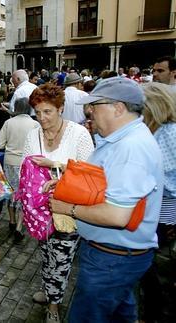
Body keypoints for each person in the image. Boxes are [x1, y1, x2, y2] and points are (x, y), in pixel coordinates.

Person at [49, 77, 163, 322]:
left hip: (113, 258)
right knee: (121, 313)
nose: (89, 112)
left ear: (118, 108)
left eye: (95, 105)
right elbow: (104, 186)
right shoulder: (123, 140)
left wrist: (67, 208)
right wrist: (66, 186)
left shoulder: (130, 148)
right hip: (116, 256)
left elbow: (116, 215)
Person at [22, 83, 94, 323]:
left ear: (61, 109)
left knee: (61, 260)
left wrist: (54, 166)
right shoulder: (33, 134)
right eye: (38, 112)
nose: (42, 118)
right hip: (41, 211)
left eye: (48, 112)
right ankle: (48, 289)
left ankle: (53, 306)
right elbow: (26, 167)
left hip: (68, 211)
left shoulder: (78, 133)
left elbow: (90, 173)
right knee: (46, 255)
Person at [139, 82, 176, 322]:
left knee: (156, 272)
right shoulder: (157, 131)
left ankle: (154, 314)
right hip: (159, 213)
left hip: (167, 214)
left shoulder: (169, 133)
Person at [0, 98, 40, 242]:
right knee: (24, 193)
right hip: (27, 163)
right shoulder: (35, 124)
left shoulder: (8, 123)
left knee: (11, 191)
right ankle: (20, 226)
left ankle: (12, 221)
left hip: (10, 161)